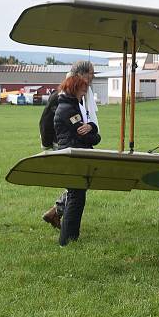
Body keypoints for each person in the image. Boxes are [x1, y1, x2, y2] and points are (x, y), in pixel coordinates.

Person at [40, 61, 98, 228]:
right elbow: (45, 122)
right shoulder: (62, 94)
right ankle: (57, 213)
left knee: (80, 184)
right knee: (78, 185)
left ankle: (55, 212)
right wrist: (47, 146)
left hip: (80, 142)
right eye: (91, 73)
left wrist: (92, 129)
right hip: (64, 143)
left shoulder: (83, 92)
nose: (92, 77)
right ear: (80, 74)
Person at [54, 74, 101, 245]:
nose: (84, 95)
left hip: (75, 155)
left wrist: (92, 127)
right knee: (75, 197)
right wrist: (94, 133)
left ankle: (70, 237)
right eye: (82, 92)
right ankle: (67, 240)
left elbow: (88, 128)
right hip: (73, 156)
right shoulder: (68, 110)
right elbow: (89, 137)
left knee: (76, 196)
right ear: (74, 89)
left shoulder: (74, 106)